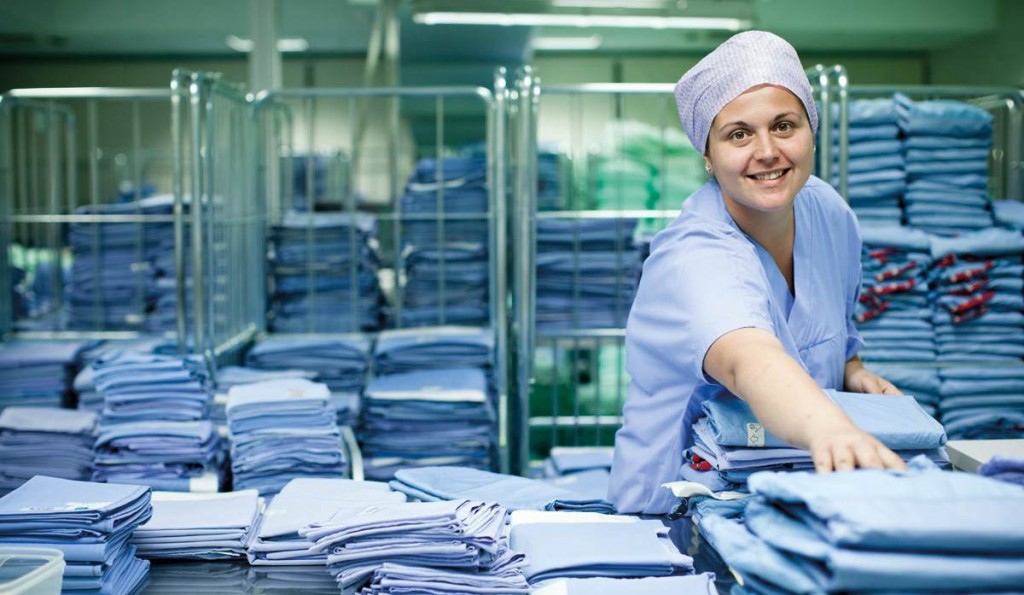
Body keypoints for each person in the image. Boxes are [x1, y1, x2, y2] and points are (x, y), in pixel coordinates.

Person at [608, 30, 907, 515]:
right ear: (708, 156)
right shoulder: (694, 256)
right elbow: (753, 360)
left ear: (812, 130)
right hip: (678, 516)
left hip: (788, 497)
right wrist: (829, 427)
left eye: (785, 126)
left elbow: (832, 331)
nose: (766, 151)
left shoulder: (829, 214)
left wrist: (852, 373)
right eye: (738, 134)